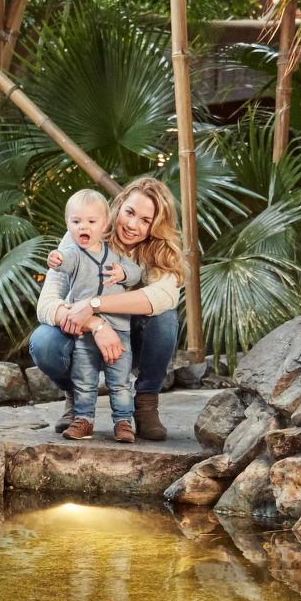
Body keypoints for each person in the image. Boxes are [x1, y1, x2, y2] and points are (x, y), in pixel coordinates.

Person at [29, 177, 183, 442]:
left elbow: (163, 296)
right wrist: (95, 324)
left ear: (156, 226)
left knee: (165, 318)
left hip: (129, 339)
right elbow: (47, 304)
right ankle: (77, 402)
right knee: (43, 341)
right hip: (82, 335)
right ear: (118, 206)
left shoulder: (159, 252)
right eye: (130, 213)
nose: (133, 225)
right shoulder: (85, 230)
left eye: (145, 221)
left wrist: (94, 305)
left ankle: (145, 405)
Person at [43, 188, 148, 442]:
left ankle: (123, 421)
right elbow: (63, 262)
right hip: (85, 332)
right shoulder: (74, 254)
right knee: (84, 378)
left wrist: (123, 274)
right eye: (76, 222)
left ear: (105, 224)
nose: (83, 227)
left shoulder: (115, 253)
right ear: (68, 225)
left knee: (119, 380)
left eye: (91, 222)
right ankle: (83, 420)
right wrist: (56, 258)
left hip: (119, 330)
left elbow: (137, 273)